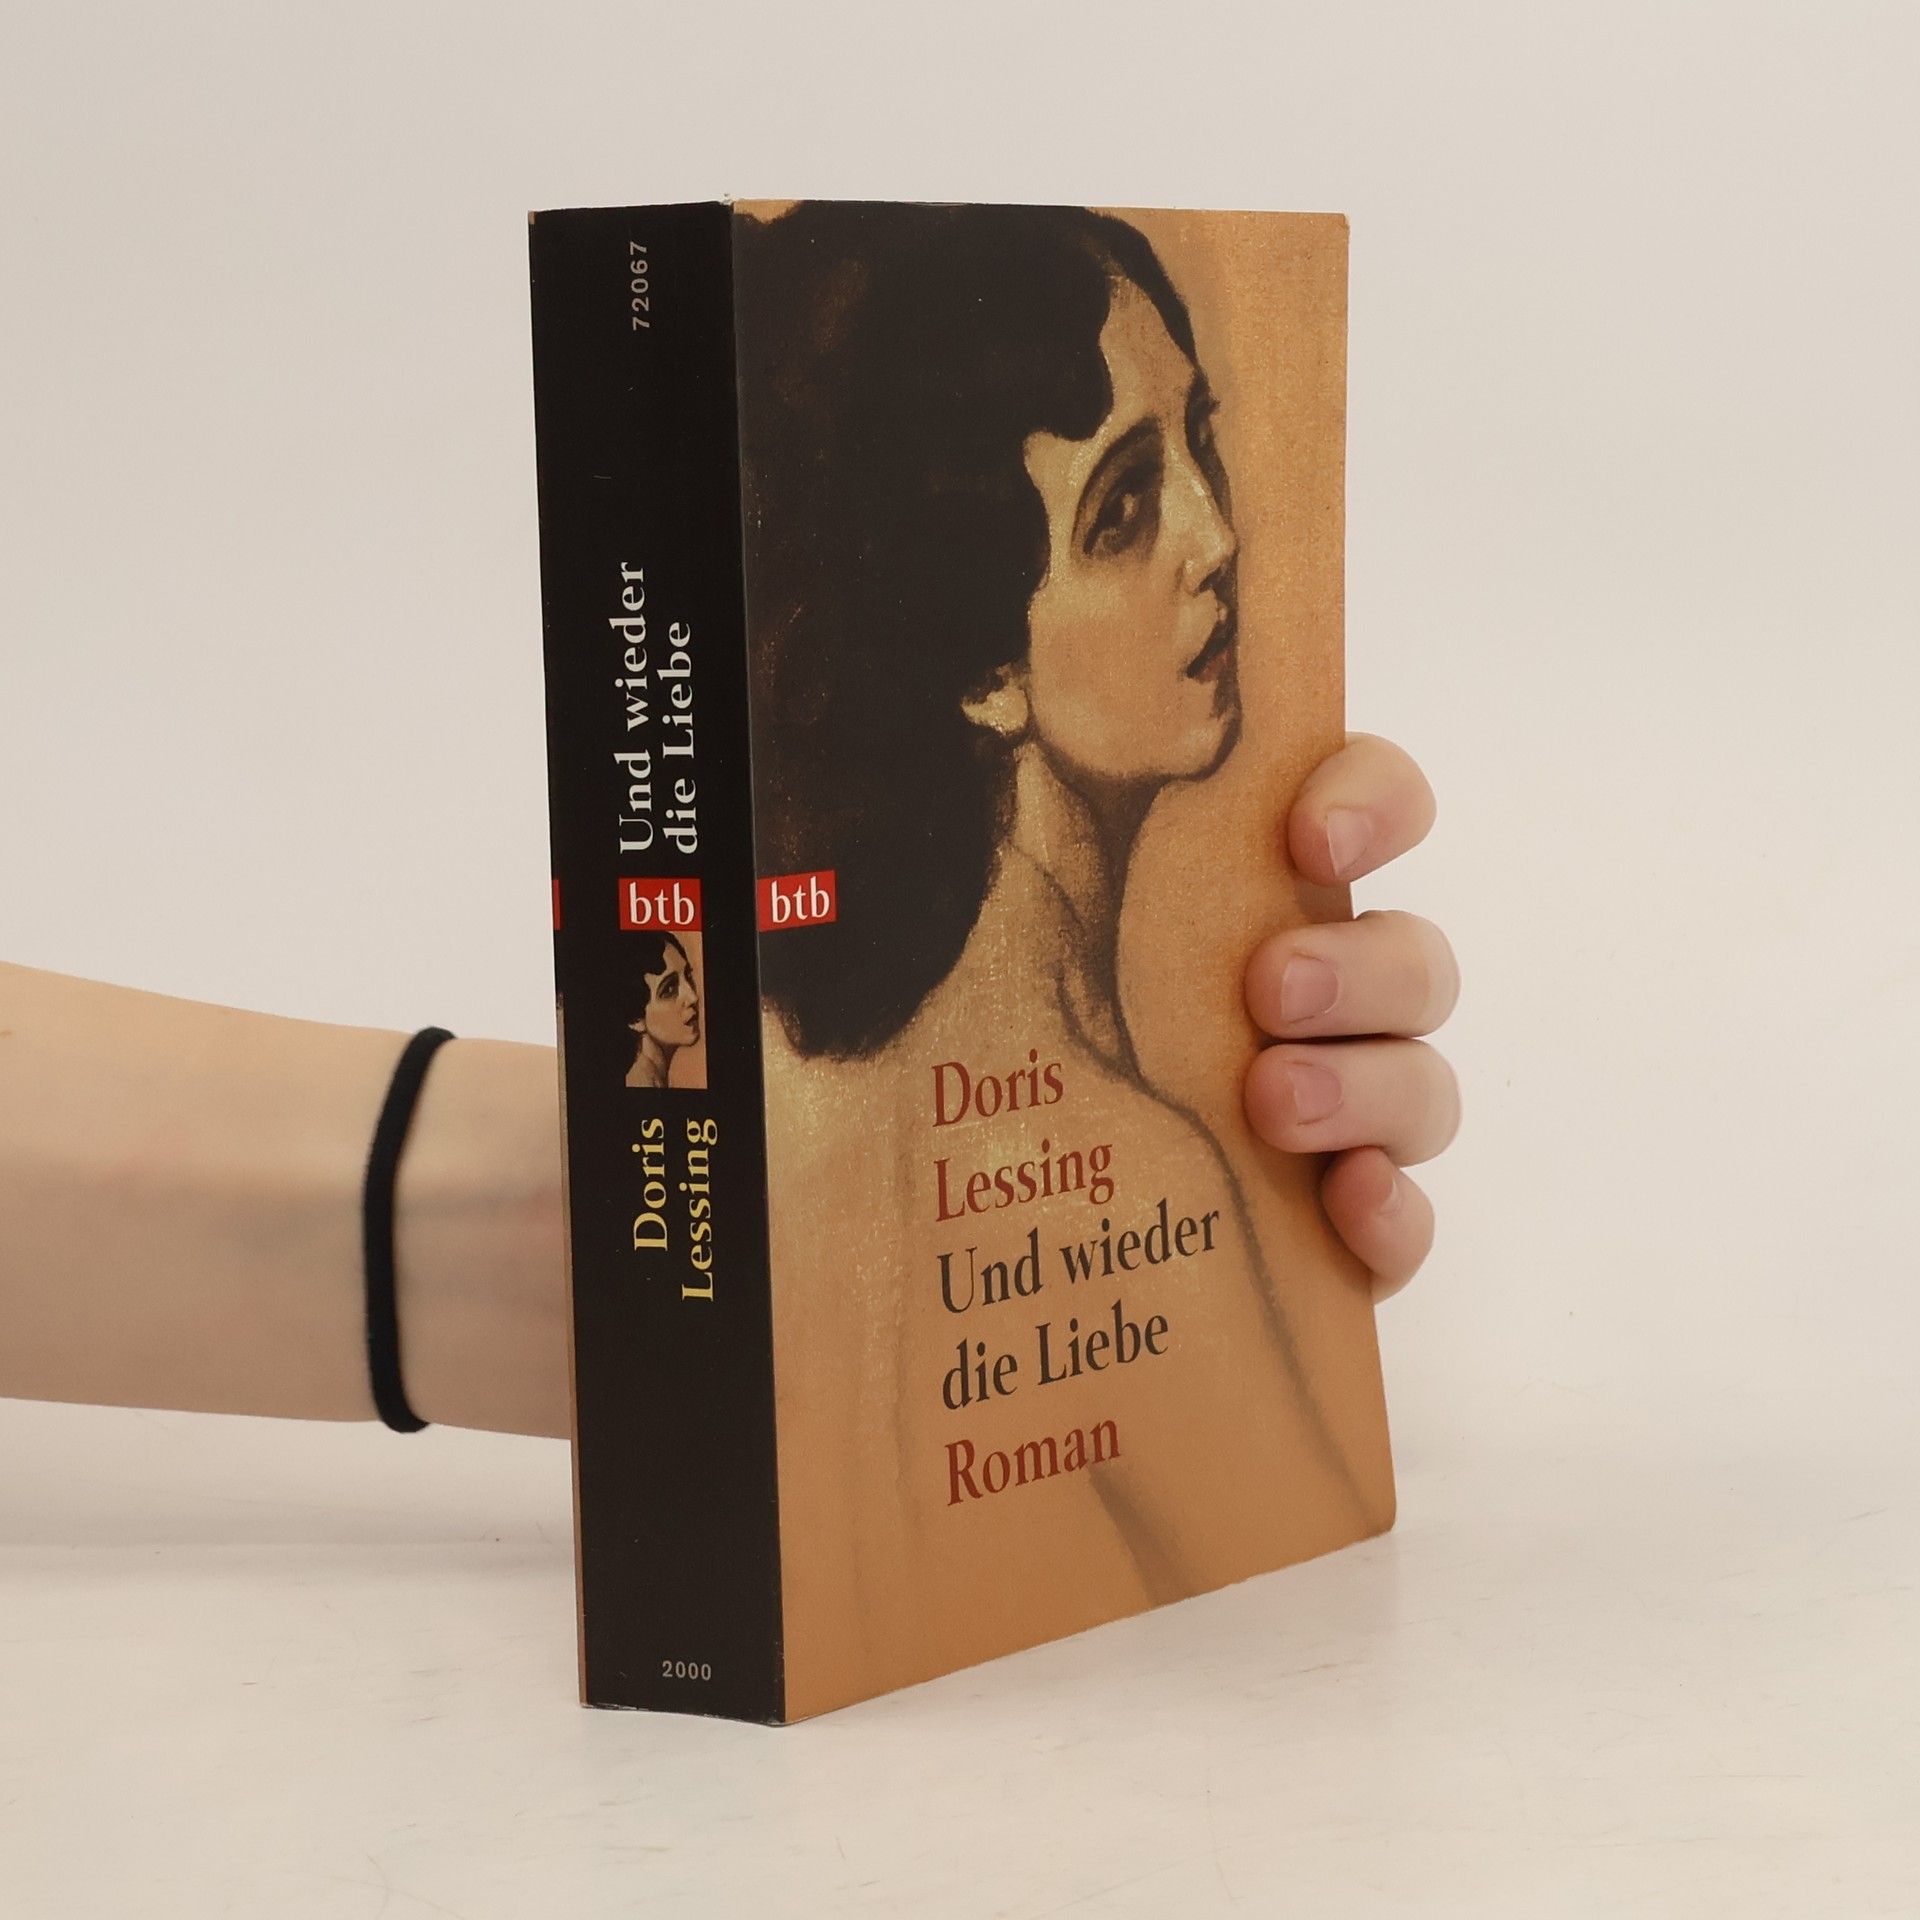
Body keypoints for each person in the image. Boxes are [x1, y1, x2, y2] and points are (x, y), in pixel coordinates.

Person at [728, 205, 1460, 1695]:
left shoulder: (796, 1106)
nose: (1219, 537)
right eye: (1124, 510)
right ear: (982, 667)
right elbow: (1331, 1667)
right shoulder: (1118, 1186)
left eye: (1202, 445)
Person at [623, 930, 701, 1090]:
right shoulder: (641, 1084)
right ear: (636, 1020)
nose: (693, 997)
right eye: (669, 989)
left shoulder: (657, 1080)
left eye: (688, 976)